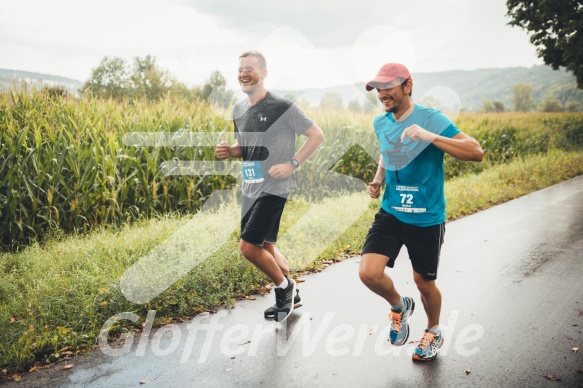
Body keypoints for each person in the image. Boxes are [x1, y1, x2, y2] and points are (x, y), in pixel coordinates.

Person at [359, 63, 483, 361]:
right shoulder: (381, 122)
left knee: (424, 282)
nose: (382, 93)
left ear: (408, 86)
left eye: (389, 87)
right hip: (391, 212)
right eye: (378, 88)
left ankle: (433, 330)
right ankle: (400, 306)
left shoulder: (431, 118)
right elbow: (386, 152)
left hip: (426, 217)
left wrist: (430, 136)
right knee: (368, 273)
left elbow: (475, 152)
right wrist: (379, 179)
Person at [215, 50, 324, 322]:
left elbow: (316, 135)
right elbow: (246, 148)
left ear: (263, 73)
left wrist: (292, 164)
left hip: (275, 186)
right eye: (240, 68)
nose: (243, 73)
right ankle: (292, 291)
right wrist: (231, 151)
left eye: (250, 68)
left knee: (248, 247)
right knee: (265, 244)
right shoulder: (239, 109)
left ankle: (283, 288)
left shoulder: (282, 106)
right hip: (251, 185)